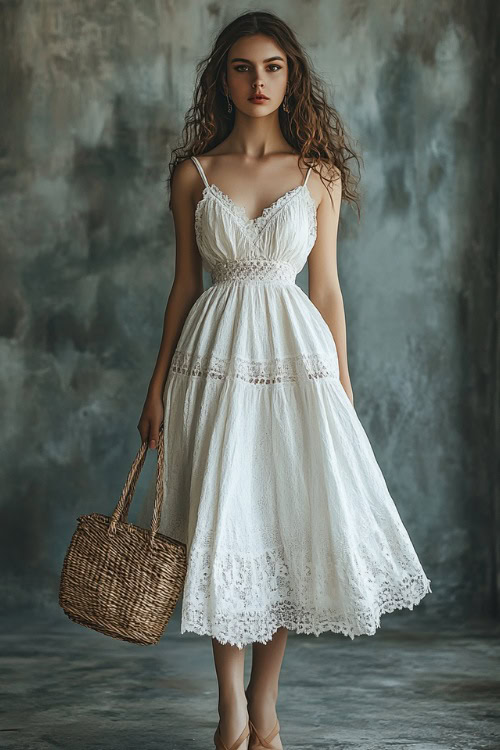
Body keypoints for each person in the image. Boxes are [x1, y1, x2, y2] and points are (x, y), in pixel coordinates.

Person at [136, 10, 432, 750]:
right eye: (242, 67)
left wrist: (343, 378)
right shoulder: (194, 174)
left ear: (290, 75)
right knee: (226, 522)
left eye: (272, 66)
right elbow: (182, 287)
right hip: (213, 362)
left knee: (283, 525)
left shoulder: (318, 174)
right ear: (222, 80)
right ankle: (229, 708)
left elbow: (327, 290)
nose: (258, 80)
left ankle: (264, 707)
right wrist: (155, 386)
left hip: (297, 365)